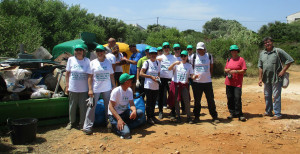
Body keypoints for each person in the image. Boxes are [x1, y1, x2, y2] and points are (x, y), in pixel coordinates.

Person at [82, 45, 116, 135]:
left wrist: (114, 86)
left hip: (107, 88)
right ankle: (87, 127)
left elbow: (111, 75)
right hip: (95, 88)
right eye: (98, 51)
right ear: (96, 53)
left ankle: (109, 123)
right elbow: (89, 77)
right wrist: (90, 89)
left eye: (101, 51)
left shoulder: (108, 62)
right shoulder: (92, 62)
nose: (100, 53)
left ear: (104, 52)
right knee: (91, 107)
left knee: (109, 107)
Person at [258, 37, 294, 120]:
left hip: (276, 78)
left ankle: (277, 114)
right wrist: (260, 78)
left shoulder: (278, 51)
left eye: (268, 42)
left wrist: (283, 71)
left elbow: (290, 60)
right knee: (267, 95)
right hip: (266, 78)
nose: (267, 44)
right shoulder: (262, 53)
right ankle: (268, 111)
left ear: (272, 42)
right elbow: (260, 66)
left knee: (276, 96)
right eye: (265, 42)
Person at [108, 73, 144, 139]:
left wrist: (134, 110)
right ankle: (114, 127)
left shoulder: (129, 90)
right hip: (114, 115)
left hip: (124, 112)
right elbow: (110, 107)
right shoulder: (116, 91)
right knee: (126, 134)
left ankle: (124, 125)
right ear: (126, 82)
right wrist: (119, 119)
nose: (132, 81)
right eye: (130, 80)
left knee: (140, 113)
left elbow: (132, 104)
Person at [190, 42, 219, 123]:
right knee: (197, 100)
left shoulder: (209, 56)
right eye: (198, 49)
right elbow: (192, 68)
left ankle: (214, 116)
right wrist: (193, 76)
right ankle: (196, 117)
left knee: (210, 100)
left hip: (207, 82)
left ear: (204, 49)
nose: (200, 51)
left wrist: (208, 76)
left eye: (201, 49)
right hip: (197, 83)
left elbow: (211, 67)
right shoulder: (193, 57)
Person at [65, 44, 92, 130]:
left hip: (84, 89)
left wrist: (90, 88)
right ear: (75, 52)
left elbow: (89, 75)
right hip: (73, 88)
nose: (79, 52)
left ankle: (82, 123)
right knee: (72, 106)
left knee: (83, 106)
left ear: (83, 51)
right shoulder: (71, 60)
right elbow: (67, 73)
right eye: (77, 50)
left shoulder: (87, 61)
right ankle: (71, 122)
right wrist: (67, 85)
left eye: (80, 50)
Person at [168, 50, 195, 123]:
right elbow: (169, 69)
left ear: (187, 57)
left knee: (186, 101)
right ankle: (178, 116)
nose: (183, 57)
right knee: (176, 101)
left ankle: (189, 117)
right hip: (176, 84)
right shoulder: (177, 64)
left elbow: (191, 75)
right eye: (182, 56)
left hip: (184, 85)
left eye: (184, 56)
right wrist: (174, 63)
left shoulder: (189, 66)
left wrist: (194, 77)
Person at [224, 45, 247, 122]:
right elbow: (225, 69)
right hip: (229, 82)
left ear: (237, 51)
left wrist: (236, 71)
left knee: (237, 98)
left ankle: (239, 114)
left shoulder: (241, 60)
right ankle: (232, 112)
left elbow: (244, 70)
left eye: (235, 50)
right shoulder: (229, 59)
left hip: (237, 83)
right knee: (230, 98)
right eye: (232, 50)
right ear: (230, 52)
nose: (233, 52)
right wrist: (227, 70)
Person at [140, 47, 161, 125]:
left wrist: (158, 78)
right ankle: (148, 118)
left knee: (153, 101)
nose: (153, 55)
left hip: (156, 85)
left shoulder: (158, 63)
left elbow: (158, 73)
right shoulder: (147, 62)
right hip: (148, 85)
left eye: (154, 53)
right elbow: (141, 73)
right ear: (149, 54)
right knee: (149, 102)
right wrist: (150, 77)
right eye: (151, 53)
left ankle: (152, 116)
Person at [156, 42, 177, 119]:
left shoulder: (173, 57)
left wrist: (174, 79)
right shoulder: (159, 57)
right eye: (164, 47)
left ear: (169, 48)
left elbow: (175, 69)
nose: (166, 48)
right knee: (160, 96)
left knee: (171, 95)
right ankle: (160, 111)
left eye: (167, 47)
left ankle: (173, 112)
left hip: (170, 78)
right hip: (161, 78)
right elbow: (154, 64)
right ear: (162, 48)